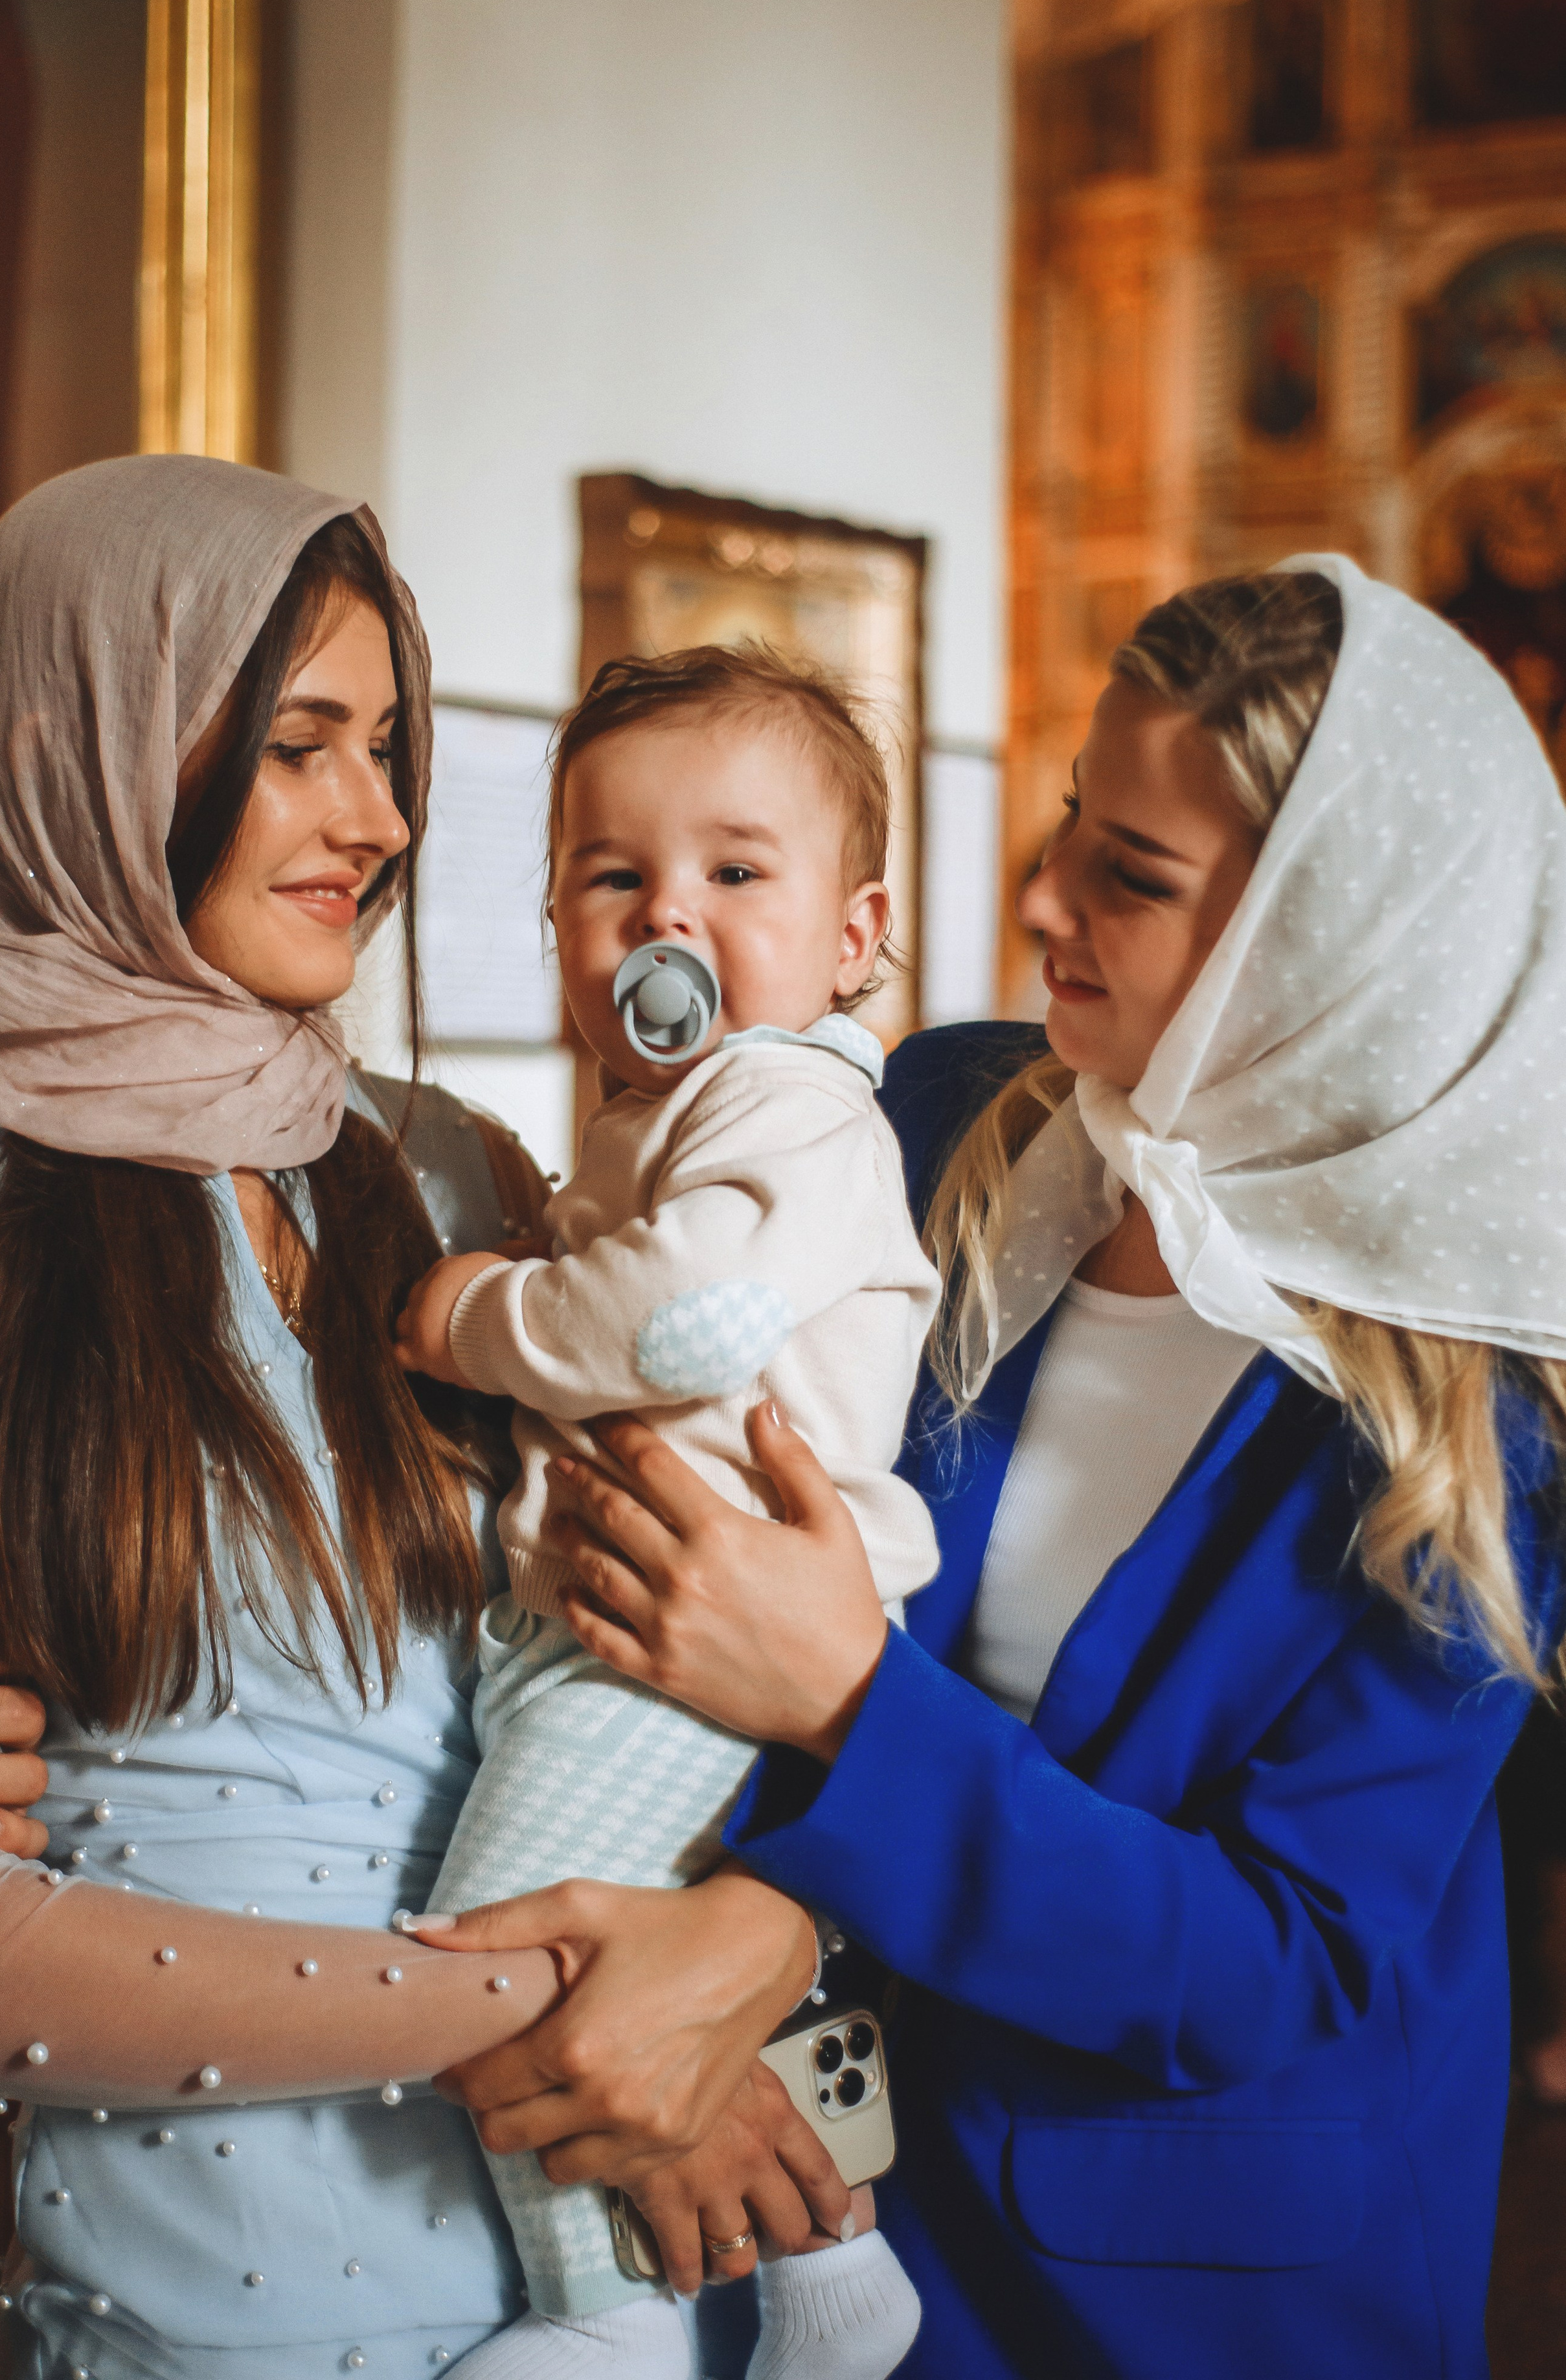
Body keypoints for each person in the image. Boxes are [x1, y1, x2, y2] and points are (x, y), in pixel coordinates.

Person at [501, 557, 1566, 2378]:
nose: (1043, 892)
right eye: (1078, 815)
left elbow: (1276, 1959)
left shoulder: (1479, 1419)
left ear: (1327, 942)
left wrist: (847, 1696)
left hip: (1182, 2280)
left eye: (1130, 876)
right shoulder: (934, 1114)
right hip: (824, 2197)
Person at [0, 455, 852, 2380]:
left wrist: (757, 1940)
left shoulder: (443, 1170)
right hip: (211, 2306)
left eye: (393, 747)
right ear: (72, 747)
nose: (385, 816)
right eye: (302, 747)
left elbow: (677, 1646)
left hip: (609, 2274)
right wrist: (556, 1998)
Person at [395, 646, 938, 2380]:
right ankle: (839, 2280)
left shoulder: (789, 1102)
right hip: (632, 1636)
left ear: (852, 936)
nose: (667, 918)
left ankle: (604, 2324)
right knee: (632, 1962)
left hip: (690, 1649)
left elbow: (692, 1316)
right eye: (612, 876)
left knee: (511, 1945)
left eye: (732, 870)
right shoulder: (654, 1129)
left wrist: (476, 1313)